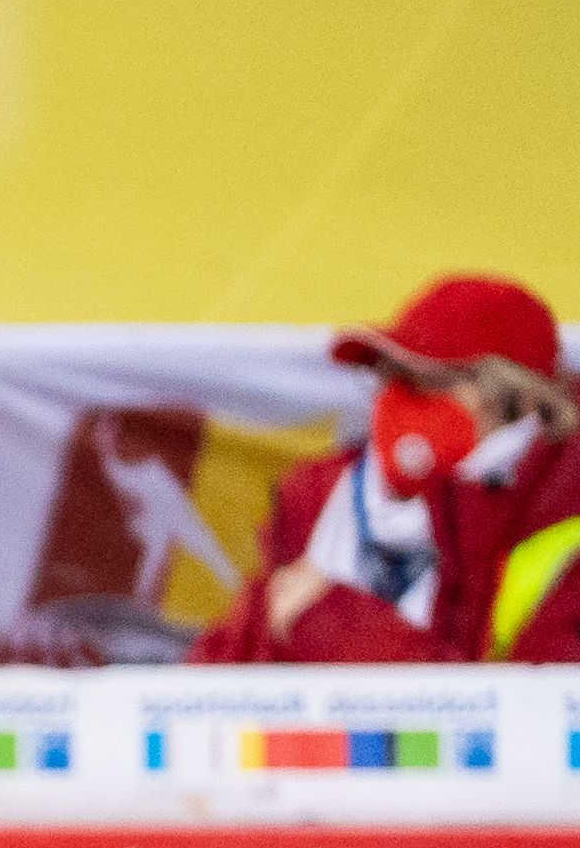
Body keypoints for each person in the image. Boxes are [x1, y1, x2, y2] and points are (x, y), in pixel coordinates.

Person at [190, 275, 580, 666]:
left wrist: (336, 626)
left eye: (433, 384)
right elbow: (215, 674)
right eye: (392, 378)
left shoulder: (559, 508)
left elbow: (534, 710)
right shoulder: (323, 493)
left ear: (522, 400)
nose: (403, 403)